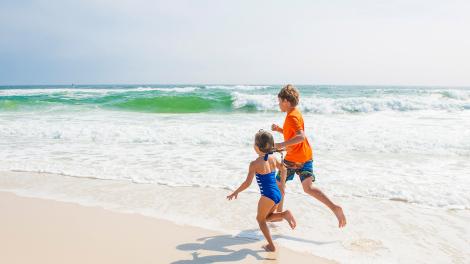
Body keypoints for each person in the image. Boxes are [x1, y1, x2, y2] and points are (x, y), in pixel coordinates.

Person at [272, 84, 347, 228]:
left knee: (279, 184)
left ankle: (279, 214)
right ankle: (334, 207)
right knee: (308, 188)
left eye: (280, 101)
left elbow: (300, 136)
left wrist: (280, 145)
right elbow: (292, 133)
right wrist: (279, 129)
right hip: (305, 156)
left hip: (293, 158)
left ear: (286, 101)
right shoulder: (295, 113)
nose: (279, 104)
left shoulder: (292, 117)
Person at [227, 130, 296, 252]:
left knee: (260, 220)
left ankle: (271, 245)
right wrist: (282, 185)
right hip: (277, 193)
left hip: (268, 195)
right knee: (267, 217)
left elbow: (247, 183)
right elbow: (283, 169)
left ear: (257, 147)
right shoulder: (273, 158)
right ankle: (284, 214)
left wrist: (236, 191)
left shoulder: (254, 164)